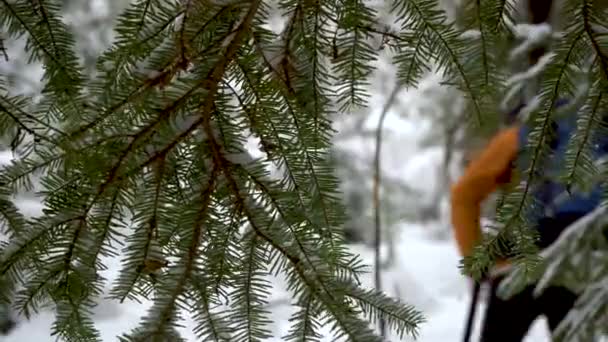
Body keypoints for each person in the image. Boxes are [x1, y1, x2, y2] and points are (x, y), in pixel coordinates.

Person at [449, 101, 608, 341]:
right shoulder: (601, 138)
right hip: (578, 267)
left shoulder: (518, 137)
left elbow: (464, 194)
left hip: (518, 263)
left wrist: (476, 258)